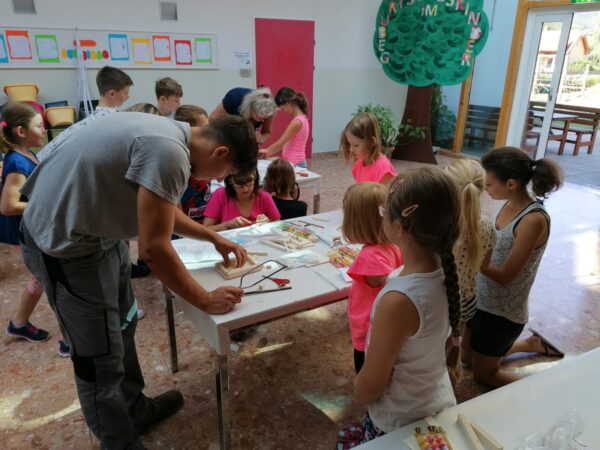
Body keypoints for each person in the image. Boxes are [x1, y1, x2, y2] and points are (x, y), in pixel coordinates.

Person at [19, 112, 257, 450]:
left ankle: (135, 409)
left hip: (100, 235)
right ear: (220, 152)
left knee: (124, 326)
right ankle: (121, 443)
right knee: (98, 359)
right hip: (64, 246)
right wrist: (205, 299)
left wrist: (211, 236)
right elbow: (153, 250)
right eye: (227, 172)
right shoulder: (169, 153)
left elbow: (162, 209)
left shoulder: (170, 135)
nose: (222, 179)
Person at [339, 168, 461, 448]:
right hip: (433, 398)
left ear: (400, 227)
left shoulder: (399, 300)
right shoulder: (448, 273)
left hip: (399, 419)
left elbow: (372, 382)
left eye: (384, 212)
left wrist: (359, 392)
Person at [469, 147, 564, 388]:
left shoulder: (532, 220)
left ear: (510, 184)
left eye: (489, 184)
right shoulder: (508, 203)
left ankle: (541, 392)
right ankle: (531, 344)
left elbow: (506, 276)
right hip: (482, 300)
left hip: (502, 313)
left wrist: (473, 258)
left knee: (483, 375)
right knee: (465, 359)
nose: (486, 189)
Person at [341, 182, 403, 374]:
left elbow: (395, 285)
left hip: (369, 330)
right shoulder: (392, 245)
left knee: (367, 374)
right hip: (379, 327)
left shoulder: (370, 258)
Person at [1, 103, 50, 345]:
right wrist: (42, 205)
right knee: (48, 279)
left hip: (35, 229)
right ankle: (71, 336)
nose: (44, 130)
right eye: (39, 126)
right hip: (28, 233)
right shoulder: (17, 163)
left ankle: (18, 324)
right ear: (21, 131)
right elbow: (8, 206)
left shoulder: (28, 154)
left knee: (42, 278)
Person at [443, 158, 496, 363]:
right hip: (466, 302)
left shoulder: (438, 226)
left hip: (438, 300)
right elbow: (484, 266)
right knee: (452, 343)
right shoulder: (488, 227)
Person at [37, 65, 133, 161]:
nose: (128, 97)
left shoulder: (88, 121)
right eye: (125, 93)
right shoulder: (115, 120)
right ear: (112, 94)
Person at [203, 168, 281, 231]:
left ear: (256, 179)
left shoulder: (264, 197)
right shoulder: (220, 195)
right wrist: (227, 225)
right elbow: (206, 230)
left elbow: (279, 226)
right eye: (239, 185)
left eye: (250, 183)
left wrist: (269, 224)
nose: (245, 189)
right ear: (230, 182)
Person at [174, 105, 212, 223]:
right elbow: (175, 206)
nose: (209, 132)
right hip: (184, 223)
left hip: (203, 217)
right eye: (204, 128)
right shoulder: (178, 159)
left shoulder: (205, 151)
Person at [340, 112, 397, 186]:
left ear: (372, 142)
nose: (351, 149)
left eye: (356, 145)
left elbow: (386, 194)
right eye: (349, 144)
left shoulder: (383, 170)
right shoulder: (359, 163)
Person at [260, 87, 310, 168]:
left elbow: (279, 145)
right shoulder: (302, 118)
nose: (283, 112)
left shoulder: (297, 122)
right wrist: (266, 152)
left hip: (295, 165)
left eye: (282, 109)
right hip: (295, 163)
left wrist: (264, 154)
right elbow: (284, 144)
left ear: (289, 103)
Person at [209, 86, 277, 144]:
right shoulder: (234, 99)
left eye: (265, 118)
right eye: (259, 117)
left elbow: (267, 132)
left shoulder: (269, 109)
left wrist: (261, 138)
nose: (263, 121)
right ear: (251, 108)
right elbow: (211, 119)